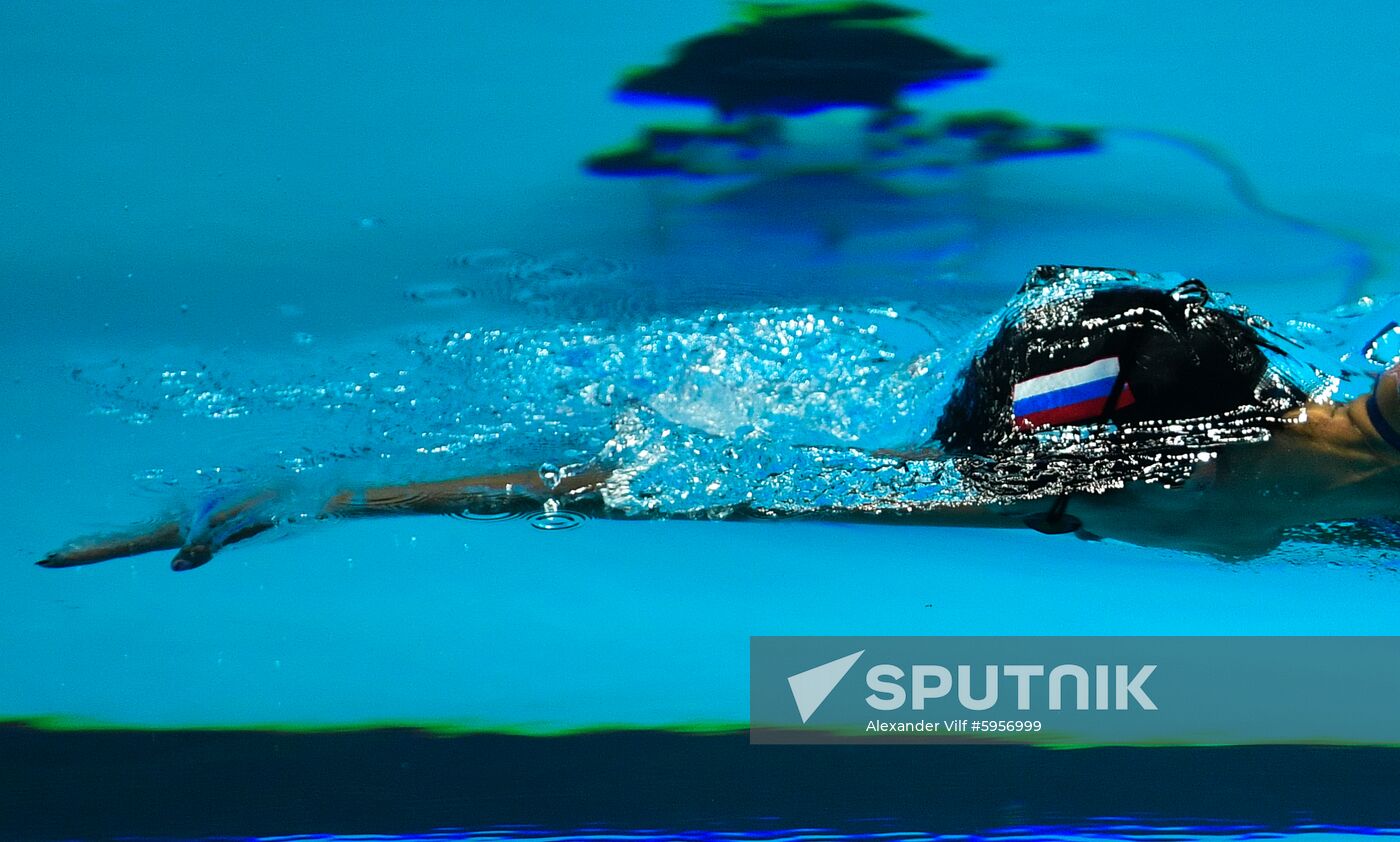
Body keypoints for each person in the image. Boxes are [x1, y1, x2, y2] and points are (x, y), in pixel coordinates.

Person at [37, 266, 1400, 570]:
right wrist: (317, 500)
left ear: (1167, 462)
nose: (986, 484)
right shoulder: (1071, 485)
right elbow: (666, 487)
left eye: (1034, 465)